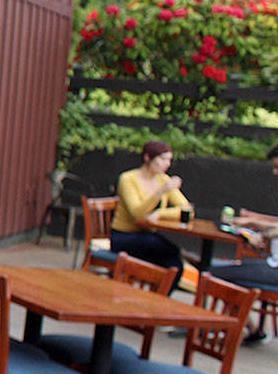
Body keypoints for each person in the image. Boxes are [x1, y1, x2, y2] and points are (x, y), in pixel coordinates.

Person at [209, 143, 278, 342]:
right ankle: (252, 329)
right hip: (271, 263)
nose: (274, 172)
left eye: (277, 166)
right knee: (230, 270)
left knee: (214, 273)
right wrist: (252, 222)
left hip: (274, 269)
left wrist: (261, 236)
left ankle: (209, 327)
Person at [110, 139, 192, 291]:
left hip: (148, 240)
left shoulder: (163, 179)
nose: (167, 164)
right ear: (148, 158)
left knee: (175, 265)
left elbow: (187, 210)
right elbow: (137, 214)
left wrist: (160, 213)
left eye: (169, 160)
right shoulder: (128, 179)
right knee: (159, 244)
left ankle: (157, 303)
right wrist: (160, 192)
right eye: (162, 159)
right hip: (123, 236)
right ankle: (183, 254)